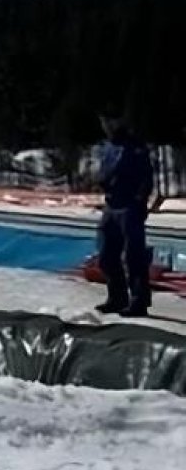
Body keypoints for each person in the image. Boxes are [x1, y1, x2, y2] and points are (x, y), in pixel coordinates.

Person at [94, 108, 154, 318]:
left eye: (109, 122)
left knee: (133, 256)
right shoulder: (108, 146)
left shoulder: (134, 146)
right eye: (103, 122)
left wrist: (140, 201)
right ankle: (117, 296)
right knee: (106, 255)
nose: (106, 127)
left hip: (129, 205)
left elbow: (146, 176)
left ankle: (139, 301)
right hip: (111, 204)